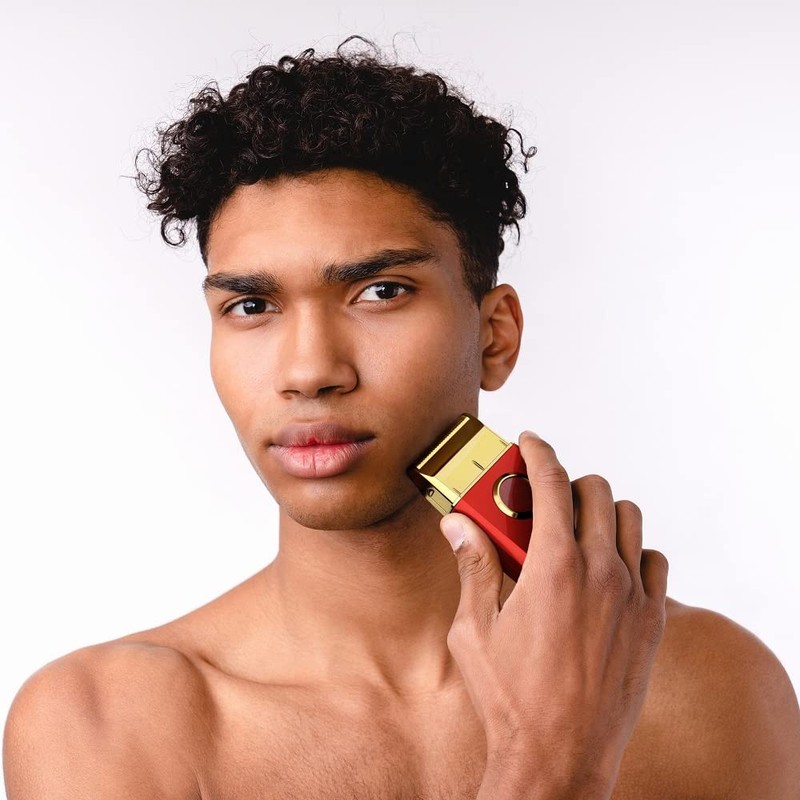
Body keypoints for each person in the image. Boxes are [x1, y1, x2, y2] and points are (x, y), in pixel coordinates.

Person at [4, 37, 799, 800]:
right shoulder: (106, 726)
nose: (310, 370)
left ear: (495, 337)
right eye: (251, 305)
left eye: (380, 292)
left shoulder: (713, 689)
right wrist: (551, 764)